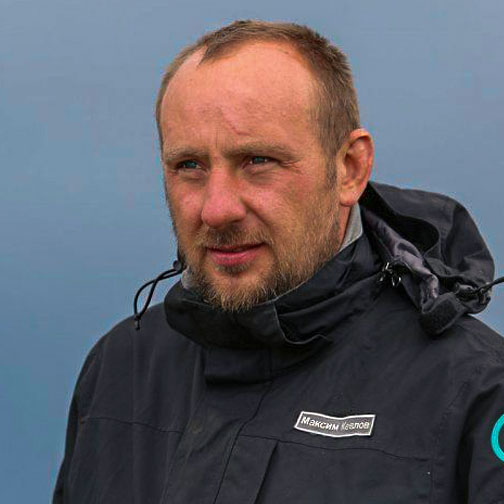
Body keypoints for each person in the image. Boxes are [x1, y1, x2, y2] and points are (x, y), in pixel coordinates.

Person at [53, 19, 504, 503]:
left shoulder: (476, 390)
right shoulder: (122, 368)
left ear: (350, 169)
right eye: (190, 166)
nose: (217, 209)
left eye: (257, 161)